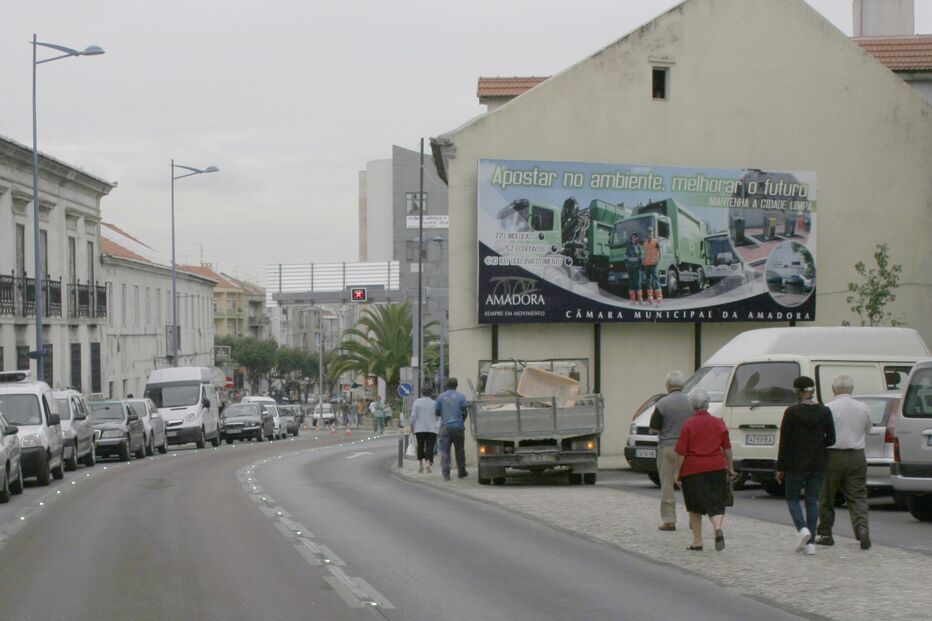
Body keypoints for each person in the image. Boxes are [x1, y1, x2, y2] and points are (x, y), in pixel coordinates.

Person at [775, 376, 836, 555]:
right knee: (812, 500)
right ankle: (811, 545)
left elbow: (784, 442)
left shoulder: (791, 412)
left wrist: (780, 467)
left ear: (797, 391)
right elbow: (831, 439)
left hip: (795, 463)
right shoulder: (825, 412)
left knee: (792, 498)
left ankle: (802, 529)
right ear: (813, 391)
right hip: (818, 462)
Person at [817, 374, 874, 550]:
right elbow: (869, 429)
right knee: (858, 495)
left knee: (827, 495)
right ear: (852, 389)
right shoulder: (863, 407)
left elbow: (822, 434)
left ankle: (826, 532)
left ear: (834, 390)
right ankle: (862, 529)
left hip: (832, 455)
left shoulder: (828, 408)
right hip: (857, 455)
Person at [674, 388, 734, 552]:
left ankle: (698, 541)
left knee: (694, 506)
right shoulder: (719, 422)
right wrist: (730, 467)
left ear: (692, 405)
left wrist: (677, 472)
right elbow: (727, 448)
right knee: (716, 503)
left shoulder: (688, 424)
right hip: (716, 467)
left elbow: (681, 452)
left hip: (693, 469)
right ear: (707, 404)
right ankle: (717, 529)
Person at [649, 370, 693, 531]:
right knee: (688, 484)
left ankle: (669, 520)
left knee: (667, 484)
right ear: (683, 385)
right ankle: (693, 517)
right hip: (687, 448)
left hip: (667, 446)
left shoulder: (662, 403)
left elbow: (654, 427)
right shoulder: (691, 402)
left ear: (668, 385)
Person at [435, 377, 469, 481]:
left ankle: (446, 474)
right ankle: (461, 472)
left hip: (445, 427)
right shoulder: (462, 396)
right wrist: (461, 421)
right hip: (458, 427)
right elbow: (465, 411)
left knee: (445, 451)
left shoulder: (440, 397)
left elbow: (436, 412)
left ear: (447, 385)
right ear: (456, 385)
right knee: (460, 450)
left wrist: (444, 415)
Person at [409, 389, 438, 473]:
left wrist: (411, 426)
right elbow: (437, 416)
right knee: (430, 446)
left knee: (420, 446)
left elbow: (413, 416)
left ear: (422, 393)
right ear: (431, 393)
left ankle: (421, 464)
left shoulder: (417, 402)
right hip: (432, 428)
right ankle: (428, 463)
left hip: (419, 428)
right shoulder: (434, 403)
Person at [642, 227, 662, 305]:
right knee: (648, 281)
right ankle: (650, 298)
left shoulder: (656, 242)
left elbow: (659, 252)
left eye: (651, 232)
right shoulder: (645, 243)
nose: (649, 234)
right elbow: (644, 254)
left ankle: (659, 299)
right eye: (648, 232)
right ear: (647, 234)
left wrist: (657, 260)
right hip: (647, 265)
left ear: (652, 233)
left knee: (656, 280)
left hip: (654, 264)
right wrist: (643, 261)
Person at [625, 231, 644, 304]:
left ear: (636, 238)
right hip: (630, 268)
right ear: (631, 238)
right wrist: (626, 264)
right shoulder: (628, 246)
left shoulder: (639, 246)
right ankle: (633, 300)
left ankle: (640, 300)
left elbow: (641, 257)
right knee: (631, 283)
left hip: (637, 268)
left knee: (638, 283)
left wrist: (640, 265)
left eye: (635, 237)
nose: (633, 238)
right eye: (632, 237)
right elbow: (626, 256)